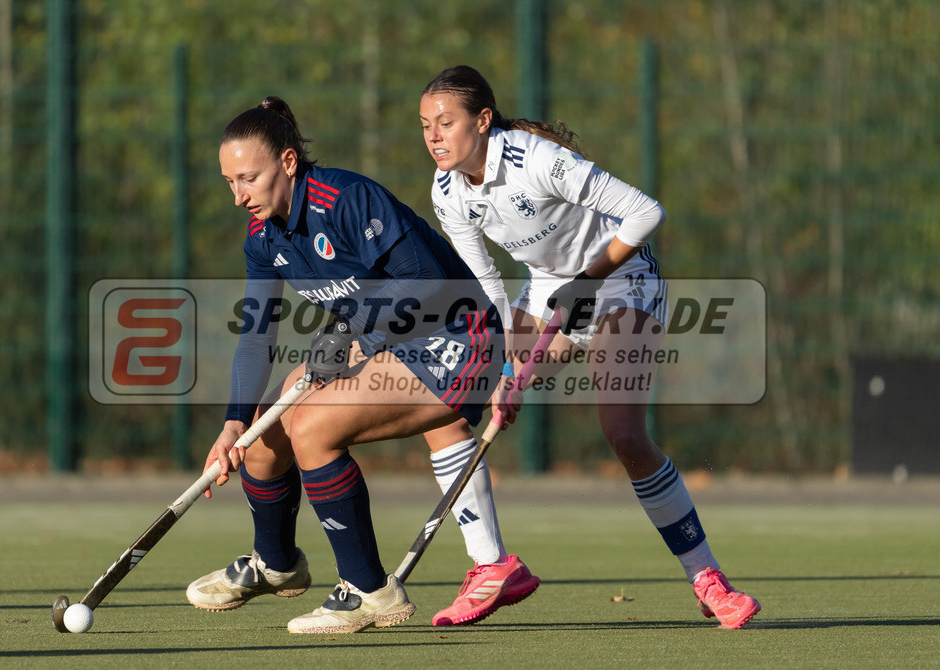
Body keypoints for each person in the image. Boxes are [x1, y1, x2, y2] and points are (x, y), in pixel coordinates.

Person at [418, 66, 761, 629]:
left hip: (620, 275)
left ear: (482, 121)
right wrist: (505, 366)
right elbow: (487, 287)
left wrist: (588, 280)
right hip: (550, 285)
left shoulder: (537, 161)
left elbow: (647, 211)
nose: (434, 135)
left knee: (623, 433)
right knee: (464, 393)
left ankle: (708, 579)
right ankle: (493, 568)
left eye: (446, 122)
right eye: (426, 125)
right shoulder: (448, 190)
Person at [185, 97, 538, 634]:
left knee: (312, 425)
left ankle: (370, 590)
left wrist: (354, 333)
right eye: (229, 182)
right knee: (262, 436)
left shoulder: (347, 198)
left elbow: (426, 281)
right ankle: (276, 565)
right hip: (389, 344)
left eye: (247, 178)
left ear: (286, 162)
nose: (238, 196)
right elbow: (256, 334)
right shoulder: (263, 238)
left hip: (461, 338)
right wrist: (234, 419)